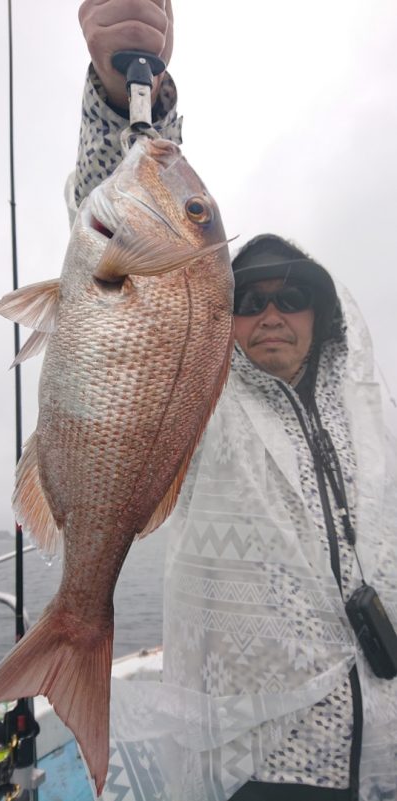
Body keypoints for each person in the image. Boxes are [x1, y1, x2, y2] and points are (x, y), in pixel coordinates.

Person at [71, 3, 397, 800]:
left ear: (323, 315)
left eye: (293, 297)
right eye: (250, 299)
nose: (272, 313)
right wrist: (126, 101)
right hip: (267, 756)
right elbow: (120, 231)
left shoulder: (371, 421)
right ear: (222, 313)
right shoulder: (203, 393)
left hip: (382, 746)